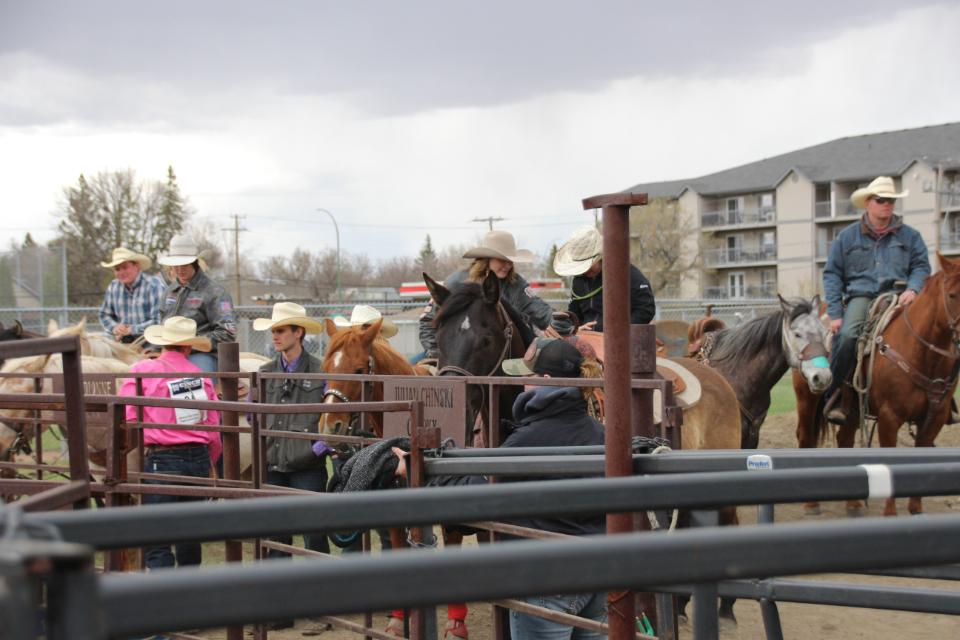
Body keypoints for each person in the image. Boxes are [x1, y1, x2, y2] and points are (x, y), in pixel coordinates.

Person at [391, 337, 606, 640]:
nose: (521, 383)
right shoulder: (600, 433)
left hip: (546, 581)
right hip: (599, 578)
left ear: (545, 381)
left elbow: (475, 495)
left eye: (527, 376)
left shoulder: (529, 439)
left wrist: (419, 470)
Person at [822, 176, 931, 424]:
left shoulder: (911, 237)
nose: (887, 204)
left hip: (901, 296)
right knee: (848, 335)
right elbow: (832, 275)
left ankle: (942, 399)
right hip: (862, 296)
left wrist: (913, 289)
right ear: (868, 203)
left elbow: (921, 267)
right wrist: (836, 314)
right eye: (881, 200)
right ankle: (837, 394)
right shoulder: (846, 237)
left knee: (934, 331)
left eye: (891, 200)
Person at [119, 317, 222, 570]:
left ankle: (163, 599)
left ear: (163, 343)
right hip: (198, 458)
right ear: (188, 347)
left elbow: (128, 415)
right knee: (188, 536)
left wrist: (152, 440)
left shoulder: (142, 370)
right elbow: (213, 428)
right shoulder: (199, 374)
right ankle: (188, 595)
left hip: (163, 460)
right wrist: (211, 461)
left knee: (159, 536)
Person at [252, 302, 333, 558]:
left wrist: (315, 451)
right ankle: (279, 595)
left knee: (315, 535)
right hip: (272, 465)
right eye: (273, 331)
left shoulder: (323, 371)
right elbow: (251, 415)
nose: (275, 336)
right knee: (275, 537)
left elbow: (335, 416)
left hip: (308, 467)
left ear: (298, 332)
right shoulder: (264, 373)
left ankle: (319, 593)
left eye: (281, 330)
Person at [419, 230, 560, 359]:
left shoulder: (516, 284)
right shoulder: (455, 282)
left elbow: (540, 310)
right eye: (502, 259)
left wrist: (564, 322)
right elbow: (428, 321)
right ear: (487, 258)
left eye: (510, 260)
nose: (508, 265)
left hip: (503, 358)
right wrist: (434, 352)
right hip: (454, 357)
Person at [157, 234, 236, 372]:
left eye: (184, 264)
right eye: (176, 265)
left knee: (198, 384)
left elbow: (227, 333)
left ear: (194, 262)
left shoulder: (216, 292)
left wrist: (191, 342)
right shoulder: (168, 292)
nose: (179, 269)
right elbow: (161, 326)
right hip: (168, 354)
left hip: (203, 355)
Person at [553, 226, 656, 331]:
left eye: (589, 265)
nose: (585, 271)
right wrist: (576, 329)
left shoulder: (626, 273)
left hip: (620, 340)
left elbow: (646, 308)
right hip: (586, 340)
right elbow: (574, 315)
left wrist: (621, 330)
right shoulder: (578, 281)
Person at [99, 247, 167, 343]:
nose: (121, 273)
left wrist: (132, 329)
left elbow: (160, 320)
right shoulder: (113, 287)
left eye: (125, 267)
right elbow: (104, 314)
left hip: (150, 342)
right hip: (121, 341)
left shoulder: (154, 285)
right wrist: (115, 327)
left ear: (137, 266)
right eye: (117, 269)